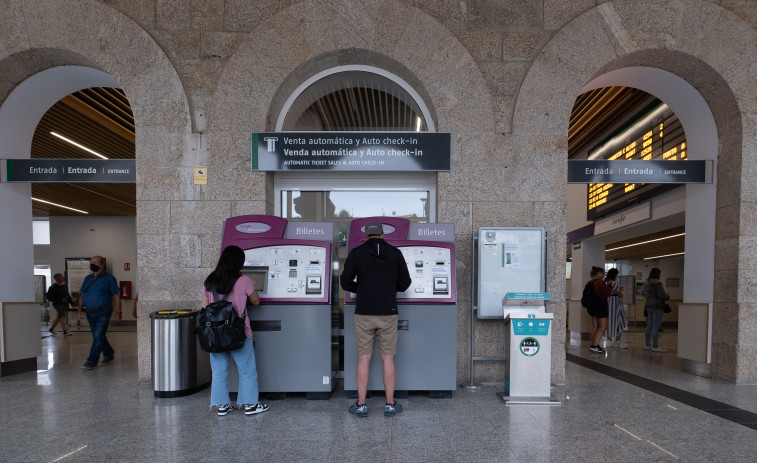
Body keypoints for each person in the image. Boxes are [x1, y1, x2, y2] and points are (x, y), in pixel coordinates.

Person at [340, 221, 412, 417]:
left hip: (364, 312)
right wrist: (388, 288)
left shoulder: (357, 253)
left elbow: (345, 282)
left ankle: (361, 405)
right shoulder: (395, 253)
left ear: (366, 236)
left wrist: (360, 288)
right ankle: (390, 404)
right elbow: (405, 283)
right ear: (382, 234)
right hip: (388, 312)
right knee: (388, 358)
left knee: (364, 358)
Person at [201, 245, 268, 417]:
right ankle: (251, 405)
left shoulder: (209, 281)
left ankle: (222, 406)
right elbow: (256, 301)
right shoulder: (243, 280)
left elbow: (205, 308)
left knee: (219, 371)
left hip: (215, 334)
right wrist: (252, 285)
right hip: (239, 331)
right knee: (246, 369)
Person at [77, 256, 121, 369]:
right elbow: (82, 294)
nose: (93, 264)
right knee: (99, 336)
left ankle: (92, 361)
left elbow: (116, 295)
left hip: (104, 311)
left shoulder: (109, 278)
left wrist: (118, 312)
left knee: (98, 335)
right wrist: (79, 308)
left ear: (102, 264)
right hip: (90, 312)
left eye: (95, 262)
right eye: (91, 262)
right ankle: (109, 353)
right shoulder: (87, 278)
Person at [585, 266, 612, 354]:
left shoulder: (589, 282)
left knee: (595, 326)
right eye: (603, 273)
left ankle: (593, 344)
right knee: (603, 327)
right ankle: (595, 345)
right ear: (599, 273)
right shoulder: (600, 282)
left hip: (592, 307)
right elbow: (607, 293)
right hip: (601, 306)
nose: (604, 275)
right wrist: (609, 285)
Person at [642, 267, 670, 352]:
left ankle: (647, 345)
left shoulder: (646, 283)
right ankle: (655, 346)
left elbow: (645, 294)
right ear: (658, 274)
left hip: (648, 306)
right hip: (657, 306)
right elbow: (662, 296)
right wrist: (667, 296)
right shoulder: (658, 283)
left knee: (649, 326)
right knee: (656, 327)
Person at [605, 268, 627, 348]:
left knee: (609, 322)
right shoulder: (614, 283)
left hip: (608, 303)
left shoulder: (605, 282)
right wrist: (621, 291)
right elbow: (620, 295)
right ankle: (618, 340)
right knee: (619, 321)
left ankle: (609, 340)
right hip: (616, 304)